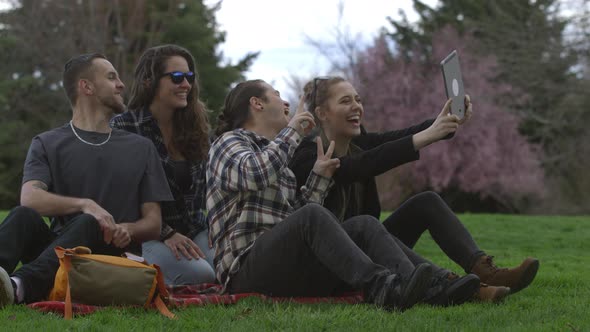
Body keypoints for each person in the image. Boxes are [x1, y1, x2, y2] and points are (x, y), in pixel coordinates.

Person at [206, 79, 484, 312]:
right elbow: (255, 175)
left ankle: (426, 286)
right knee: (314, 215)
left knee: (364, 224)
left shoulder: (281, 159)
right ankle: (380, 287)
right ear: (257, 104)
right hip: (245, 269)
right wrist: (292, 132)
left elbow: (300, 220)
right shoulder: (229, 143)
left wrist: (319, 179)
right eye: (278, 96)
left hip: (283, 265)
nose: (287, 104)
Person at [289, 76, 538, 300]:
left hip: (367, 244)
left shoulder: (358, 144)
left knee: (426, 202)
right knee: (366, 223)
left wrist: (444, 123)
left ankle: (484, 271)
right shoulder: (307, 156)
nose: (357, 106)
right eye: (345, 101)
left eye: (358, 99)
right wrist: (427, 136)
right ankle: (453, 286)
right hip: (334, 264)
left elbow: (397, 139)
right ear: (322, 113)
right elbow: (361, 165)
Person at [0, 53, 173, 307]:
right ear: (87, 86)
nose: (121, 84)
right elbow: (30, 198)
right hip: (58, 255)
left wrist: (125, 229)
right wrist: (85, 204)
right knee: (21, 216)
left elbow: (153, 223)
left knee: (90, 223)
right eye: (111, 77)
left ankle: (18, 287)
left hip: (110, 259)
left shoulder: (141, 148)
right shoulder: (47, 142)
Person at [111, 45, 215, 285]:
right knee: (201, 275)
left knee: (227, 266)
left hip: (194, 228)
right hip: (147, 235)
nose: (186, 85)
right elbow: (123, 197)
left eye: (189, 77)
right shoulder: (123, 128)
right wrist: (165, 232)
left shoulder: (196, 128)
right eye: (177, 77)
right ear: (150, 81)